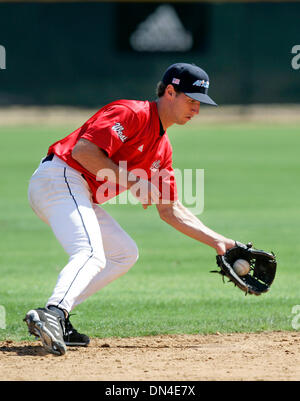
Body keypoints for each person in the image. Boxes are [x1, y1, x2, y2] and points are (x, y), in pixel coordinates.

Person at [24, 62, 236, 356]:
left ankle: (57, 312)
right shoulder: (132, 113)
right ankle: (54, 314)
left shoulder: (162, 149)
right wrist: (134, 181)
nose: (196, 109)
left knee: (124, 253)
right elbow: (82, 151)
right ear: (170, 92)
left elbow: (170, 209)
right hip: (59, 178)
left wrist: (219, 242)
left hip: (77, 191)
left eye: (200, 103)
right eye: (191, 100)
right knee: (90, 253)